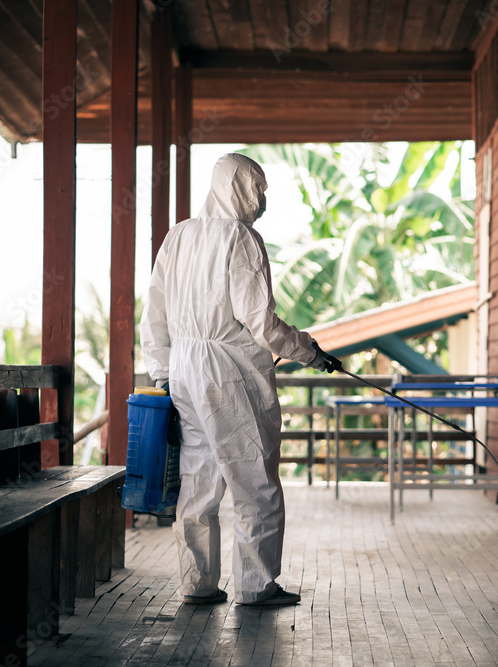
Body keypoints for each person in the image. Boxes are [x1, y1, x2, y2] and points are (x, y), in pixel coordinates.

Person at [140, 153, 340, 606]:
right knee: (255, 479)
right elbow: (260, 323)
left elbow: (153, 312)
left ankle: (198, 583)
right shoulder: (241, 238)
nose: (261, 198)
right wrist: (309, 351)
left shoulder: (178, 236)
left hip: (185, 368)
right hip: (227, 369)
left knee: (199, 476)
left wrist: (163, 371)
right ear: (237, 187)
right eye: (257, 188)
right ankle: (256, 585)